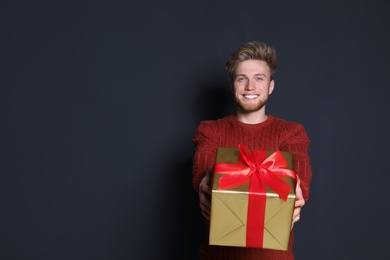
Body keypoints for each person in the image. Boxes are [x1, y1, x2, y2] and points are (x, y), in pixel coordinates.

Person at [192, 41, 312, 259]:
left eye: (259, 78)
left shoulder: (291, 132)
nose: (250, 86)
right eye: (241, 78)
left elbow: (301, 179)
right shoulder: (211, 130)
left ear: (270, 86)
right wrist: (206, 181)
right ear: (232, 86)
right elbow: (201, 173)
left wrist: (298, 190)